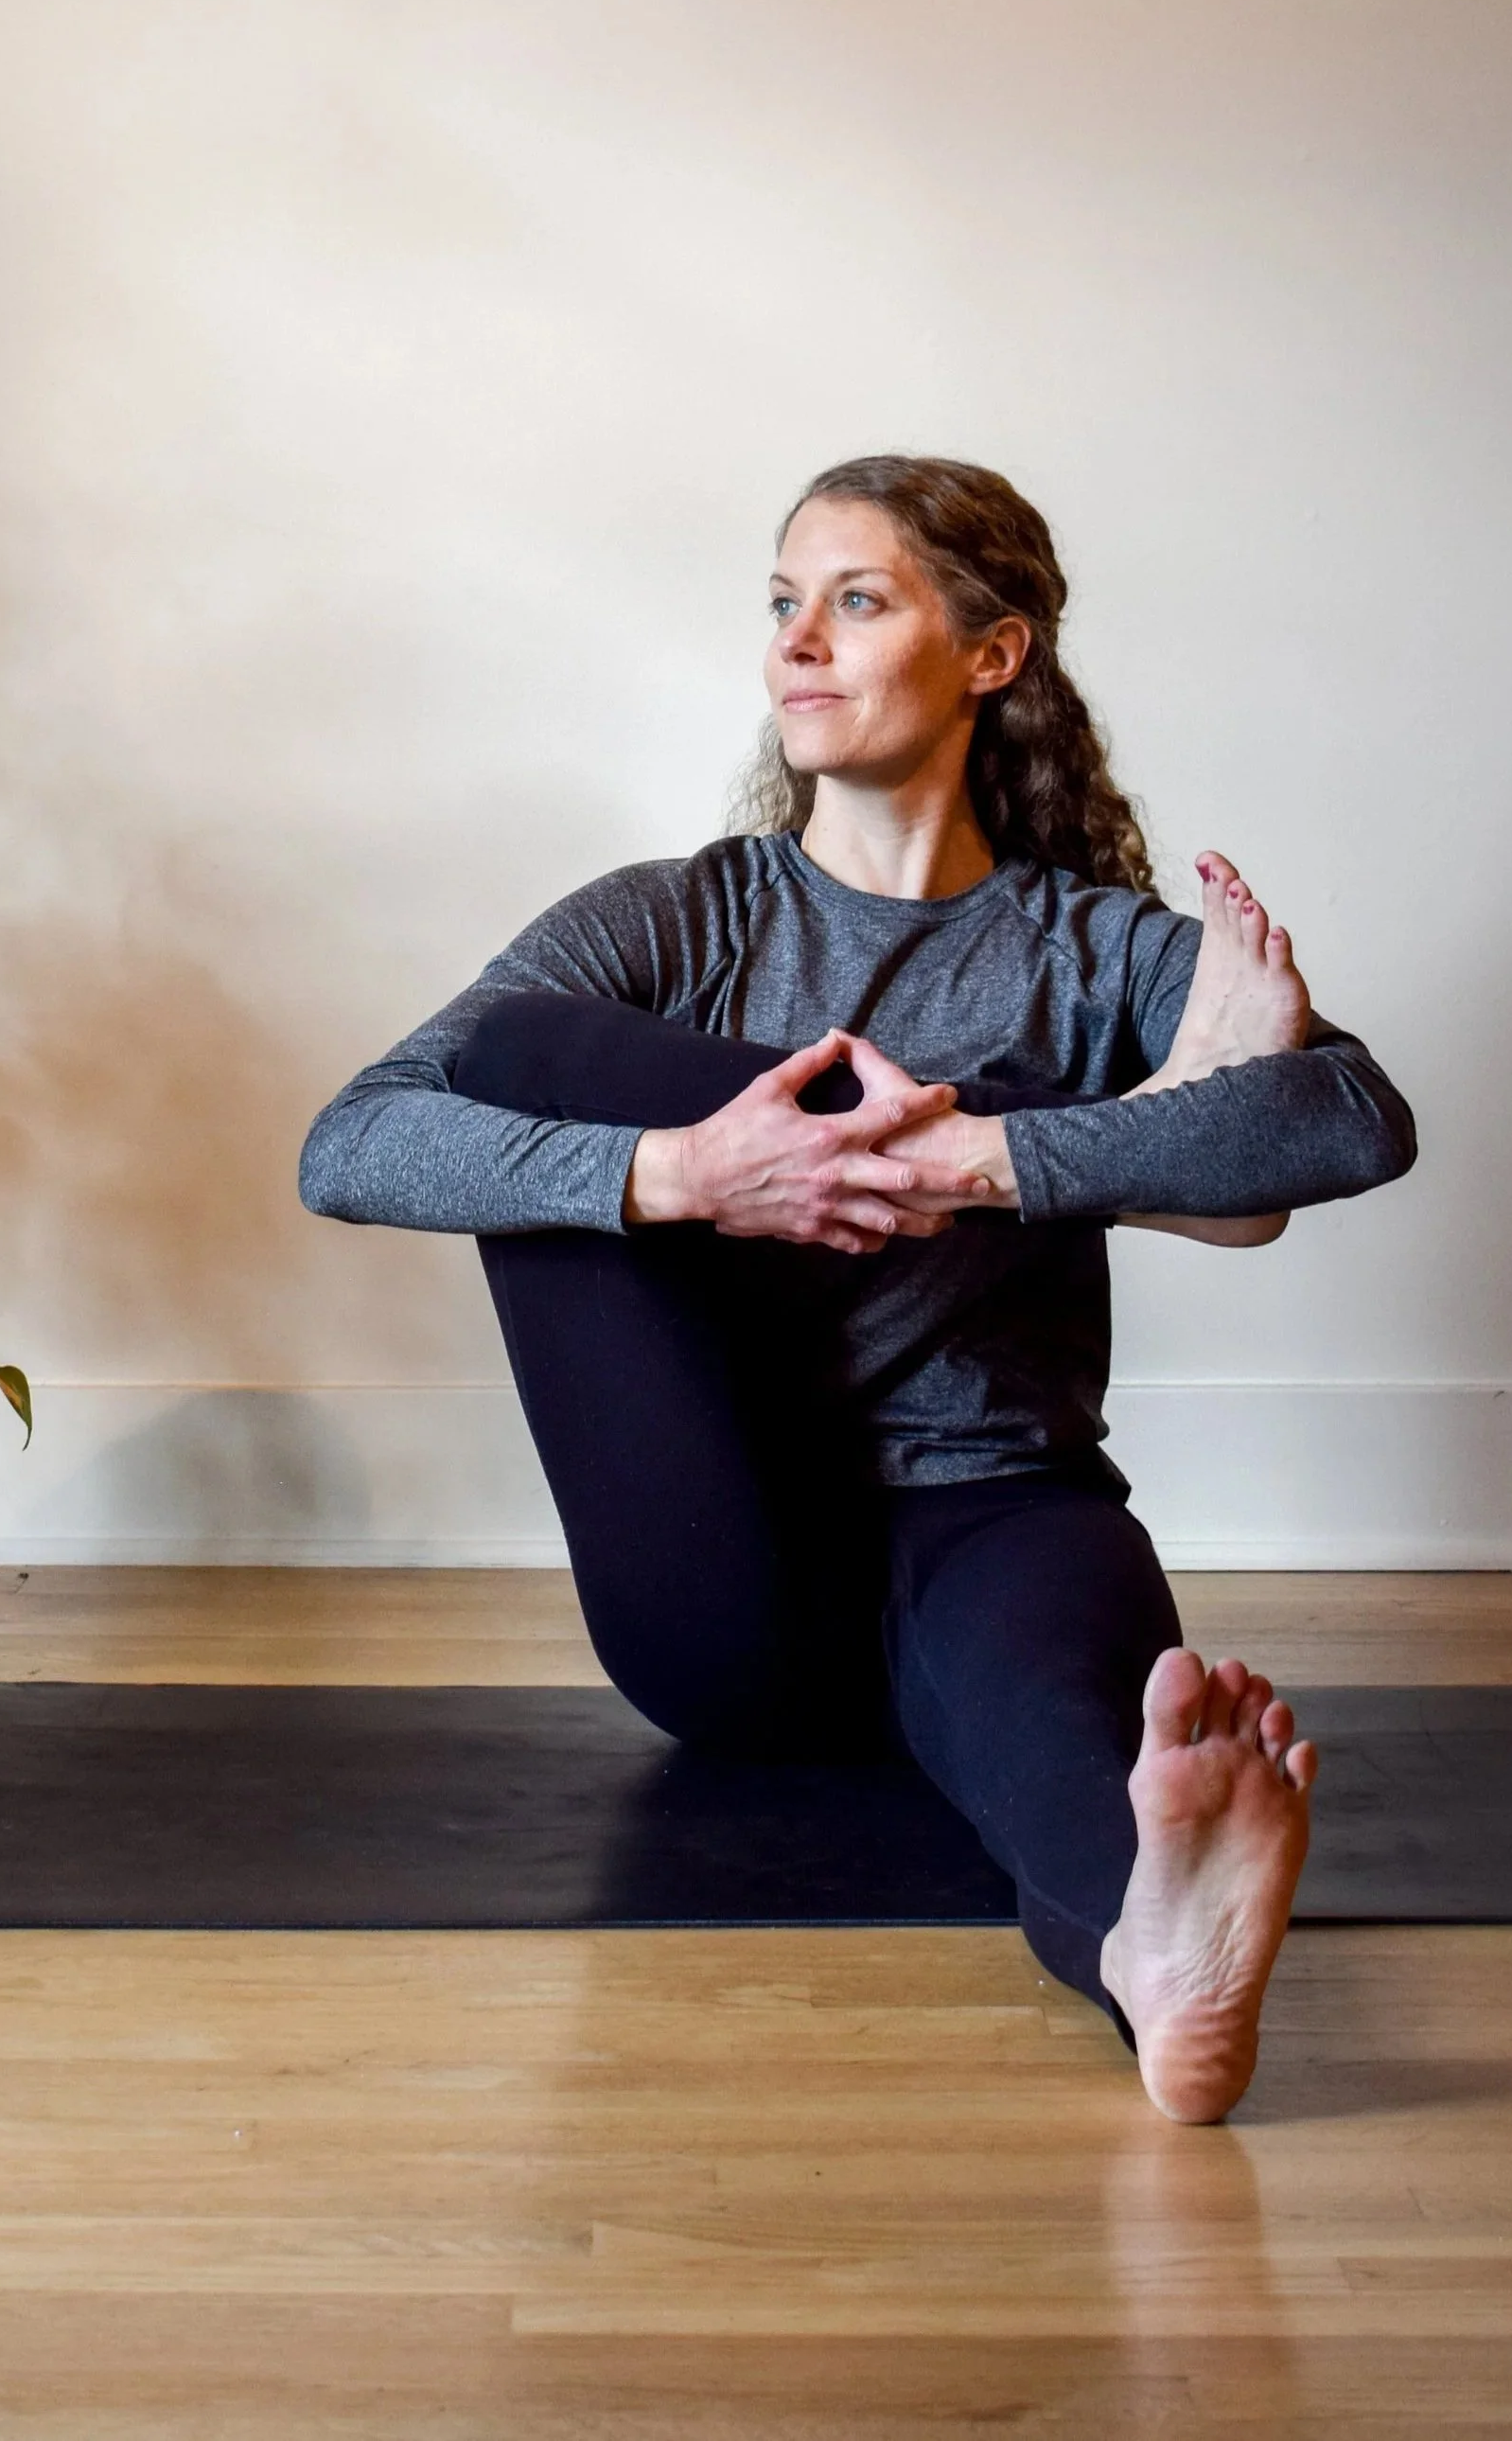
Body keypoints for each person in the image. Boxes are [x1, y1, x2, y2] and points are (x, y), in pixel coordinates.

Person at [298, 454, 1416, 2124]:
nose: (795, 643)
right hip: (717, 1551)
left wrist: (983, 1157)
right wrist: (687, 1173)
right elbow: (353, 1140)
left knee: (1079, 1731)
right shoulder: (676, 923)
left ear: (992, 654)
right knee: (531, 1057)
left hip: (1001, 1509)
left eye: (857, 598)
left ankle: (1149, 1957)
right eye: (781, 601)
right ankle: (1045, 1150)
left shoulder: (1087, 945)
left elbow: (1355, 1118)